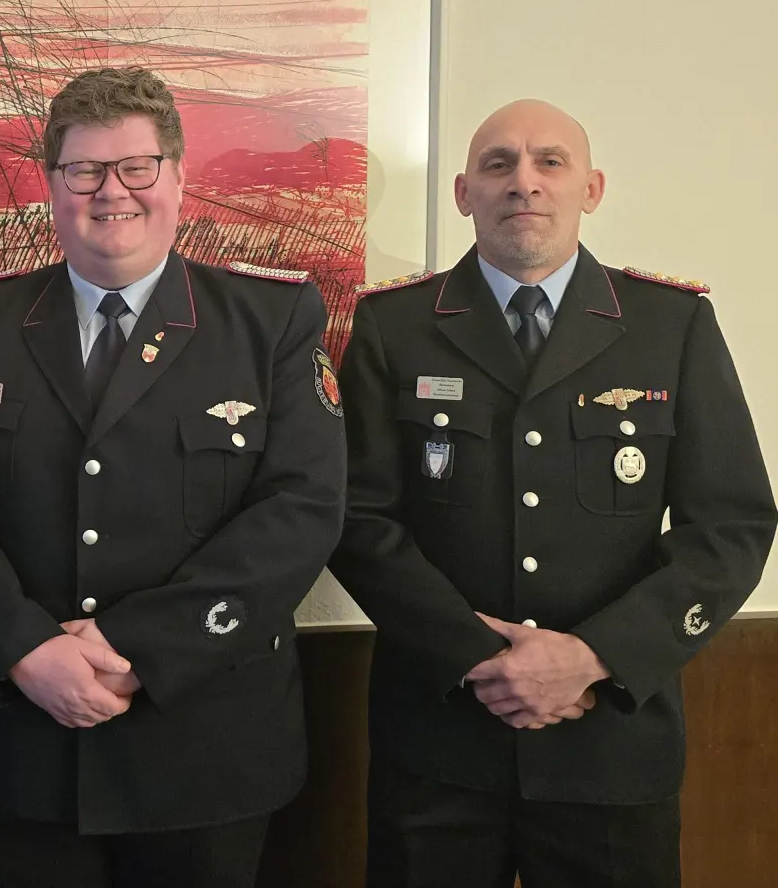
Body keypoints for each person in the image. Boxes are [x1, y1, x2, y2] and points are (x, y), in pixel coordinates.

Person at [0, 66, 347, 887]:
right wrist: (24, 647)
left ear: (178, 177)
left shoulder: (272, 318)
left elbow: (304, 507)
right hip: (28, 746)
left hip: (204, 753)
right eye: (84, 170)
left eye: (137, 167)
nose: (113, 193)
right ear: (52, 185)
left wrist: (135, 645)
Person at [330, 98, 777, 888]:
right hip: (440, 742)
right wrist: (477, 658)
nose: (523, 183)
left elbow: (730, 523)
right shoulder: (395, 326)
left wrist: (594, 656)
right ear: (465, 192)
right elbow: (359, 519)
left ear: (592, 188)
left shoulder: (669, 325)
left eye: (549, 163)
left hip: (610, 739)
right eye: (498, 164)